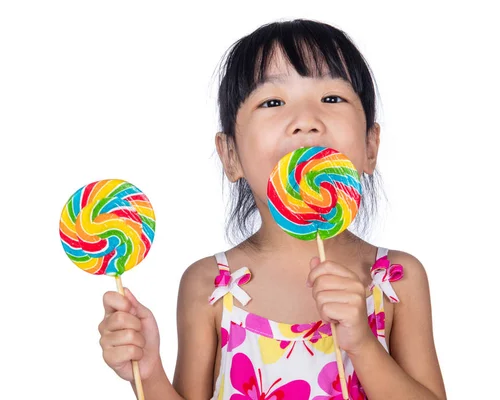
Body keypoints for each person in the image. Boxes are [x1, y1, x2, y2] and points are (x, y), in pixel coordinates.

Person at [98, 19, 446, 399]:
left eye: (331, 98)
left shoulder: (396, 280)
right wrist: (147, 374)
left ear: (371, 146)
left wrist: (362, 343)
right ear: (231, 156)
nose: (305, 122)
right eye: (273, 102)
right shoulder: (210, 287)